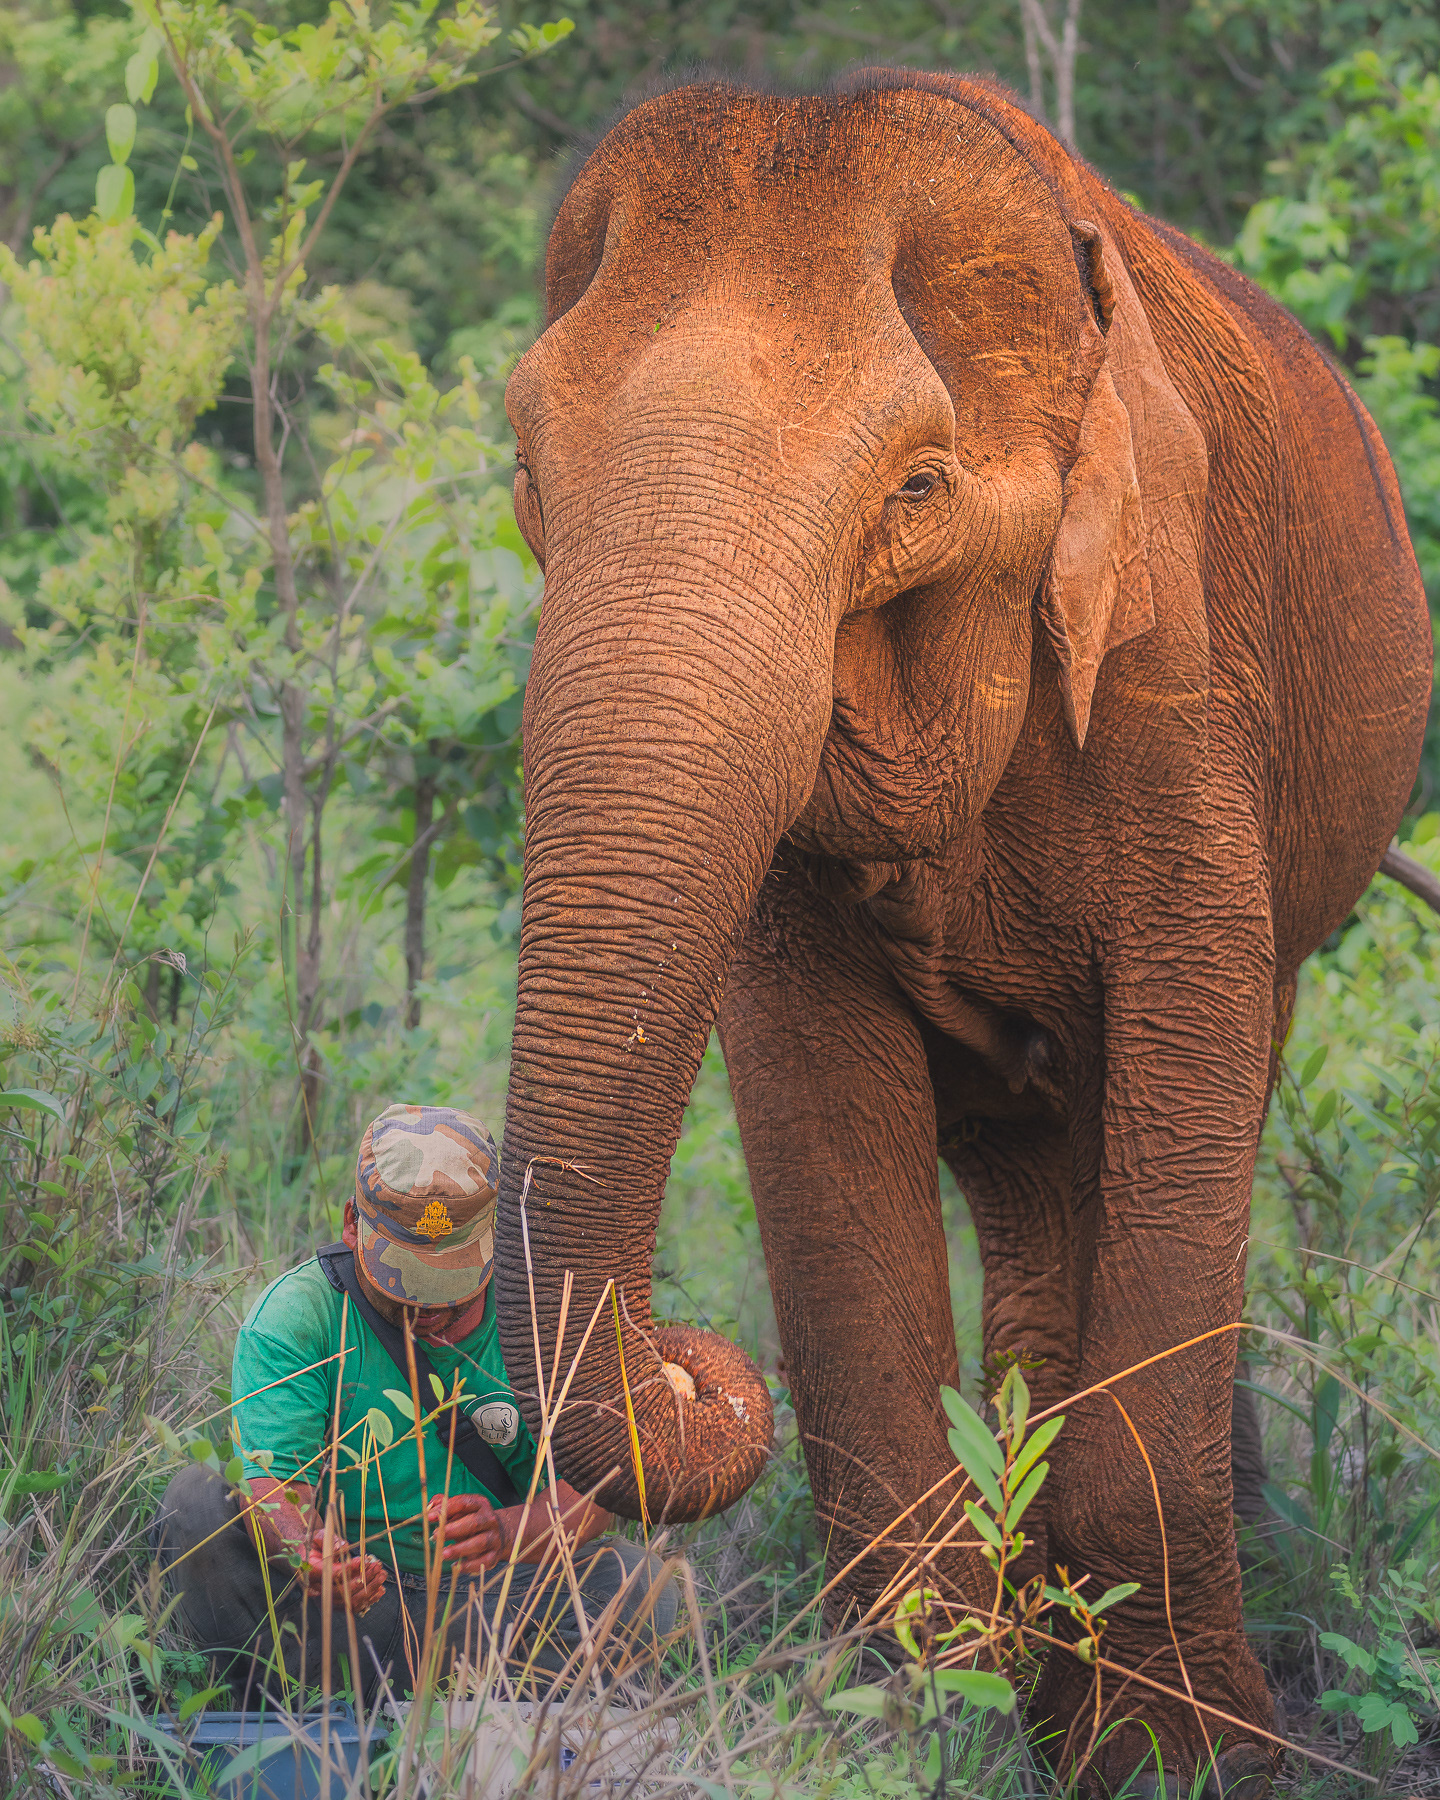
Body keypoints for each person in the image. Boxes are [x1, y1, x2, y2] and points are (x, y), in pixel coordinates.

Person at [154, 1104, 677, 1706]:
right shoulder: (298, 1317)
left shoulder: (545, 1317)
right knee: (194, 1504)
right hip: (341, 1616)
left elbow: (597, 1493)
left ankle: (404, 1699)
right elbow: (274, 1482)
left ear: (495, 1240)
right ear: (353, 1225)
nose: (429, 1310)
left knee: (643, 1585)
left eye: (452, 1284)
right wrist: (309, 1553)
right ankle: (329, 1696)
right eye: (404, 1281)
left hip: (485, 1605)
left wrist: (507, 1532)